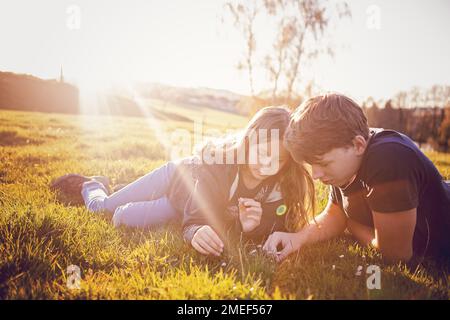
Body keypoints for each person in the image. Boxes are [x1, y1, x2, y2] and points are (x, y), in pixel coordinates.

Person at [51, 106, 315, 256]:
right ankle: (93, 185)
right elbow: (198, 217)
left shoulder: (277, 186)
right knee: (104, 209)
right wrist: (194, 230)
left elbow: (274, 225)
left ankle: (128, 193)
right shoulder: (218, 164)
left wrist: (251, 228)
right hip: (176, 178)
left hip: (181, 205)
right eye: (262, 151)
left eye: (277, 160)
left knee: (124, 217)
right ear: (248, 141)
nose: (266, 164)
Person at [263, 93, 450, 264]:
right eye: (312, 164)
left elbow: (396, 254)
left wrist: (353, 225)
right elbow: (334, 214)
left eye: (324, 163)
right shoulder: (346, 154)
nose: (316, 175)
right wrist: (298, 238)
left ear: (358, 145)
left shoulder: (389, 159)